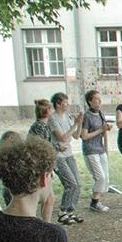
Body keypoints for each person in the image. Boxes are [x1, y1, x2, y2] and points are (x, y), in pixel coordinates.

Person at [48, 93, 84, 224]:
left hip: (69, 154)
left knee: (78, 184)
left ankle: (70, 211)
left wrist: (79, 124)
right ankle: (62, 211)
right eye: (65, 102)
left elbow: (76, 136)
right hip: (58, 156)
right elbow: (62, 137)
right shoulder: (53, 119)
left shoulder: (67, 117)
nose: (67, 105)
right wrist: (75, 124)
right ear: (58, 104)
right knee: (70, 183)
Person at [80, 90, 113, 212]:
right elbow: (84, 136)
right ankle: (94, 202)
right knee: (100, 177)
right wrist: (100, 130)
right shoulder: (87, 116)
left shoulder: (100, 114)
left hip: (100, 149)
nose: (99, 102)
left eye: (100, 99)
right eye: (96, 99)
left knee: (106, 178)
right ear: (90, 101)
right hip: (90, 150)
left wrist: (106, 147)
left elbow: (104, 131)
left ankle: (96, 201)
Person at [26, 99, 57, 222]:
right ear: (47, 111)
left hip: (44, 165)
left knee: (50, 198)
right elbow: (43, 147)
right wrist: (58, 147)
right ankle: (43, 223)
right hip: (40, 166)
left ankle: (46, 223)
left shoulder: (43, 126)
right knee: (45, 197)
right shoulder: (40, 127)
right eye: (51, 109)